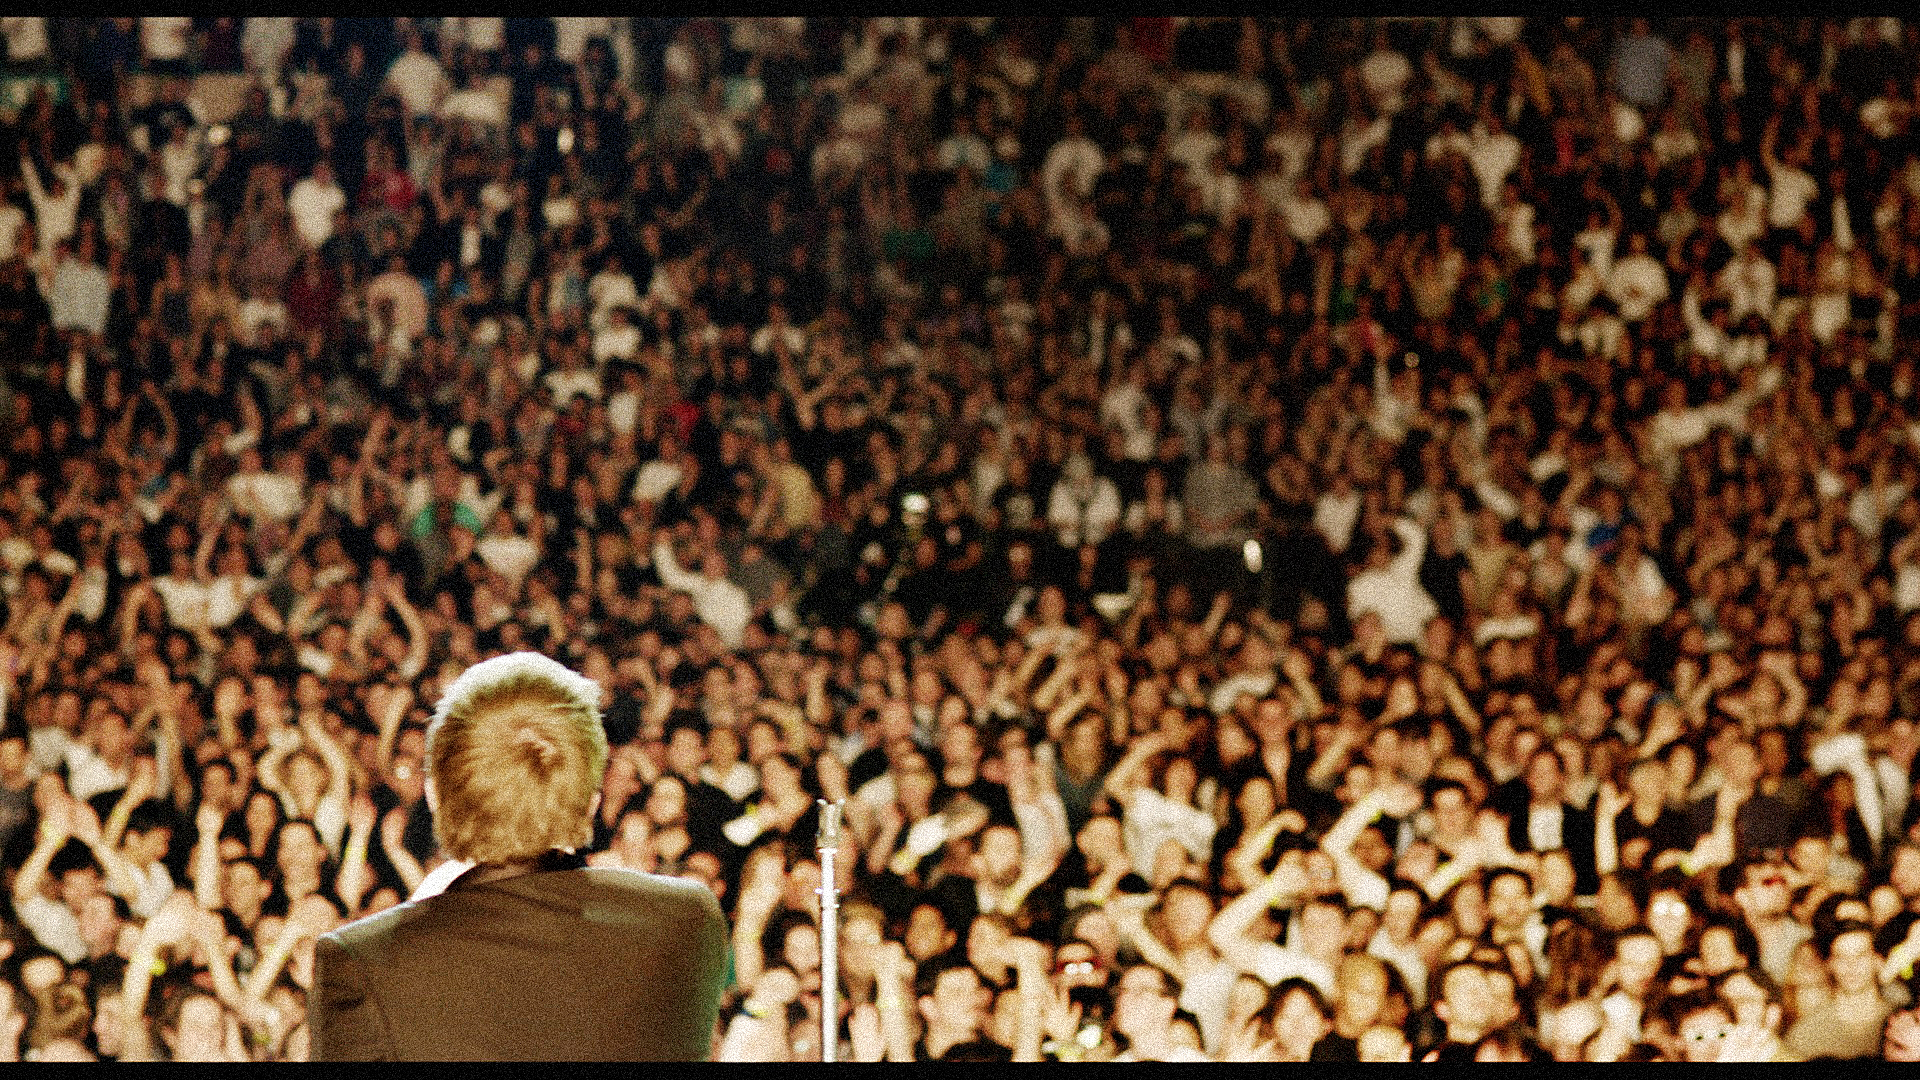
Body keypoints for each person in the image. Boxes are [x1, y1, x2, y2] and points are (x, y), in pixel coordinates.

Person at [310, 652, 729, 1060]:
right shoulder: (687, 918)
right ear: (591, 805)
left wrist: (415, 919)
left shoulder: (359, 962)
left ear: (434, 797)